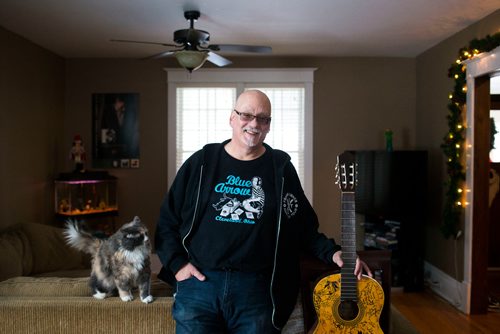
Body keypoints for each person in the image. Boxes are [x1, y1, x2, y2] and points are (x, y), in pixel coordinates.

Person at [155, 90, 372, 333]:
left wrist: (333, 253)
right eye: (246, 115)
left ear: (268, 126)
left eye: (263, 118)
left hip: (256, 289)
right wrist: (177, 265)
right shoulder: (202, 162)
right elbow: (167, 221)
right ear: (232, 118)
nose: (254, 124)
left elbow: (302, 226)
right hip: (200, 285)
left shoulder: (280, 169)